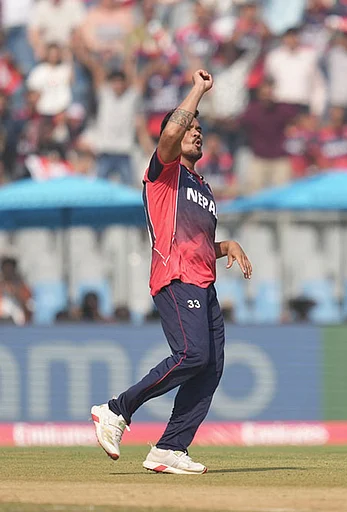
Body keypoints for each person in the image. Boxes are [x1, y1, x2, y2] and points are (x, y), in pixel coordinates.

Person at [90, 70, 253, 475]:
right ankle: (115, 410)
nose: (196, 132)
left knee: (210, 367)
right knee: (191, 354)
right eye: (189, 127)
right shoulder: (164, 174)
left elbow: (195, 245)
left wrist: (225, 247)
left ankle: (169, 448)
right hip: (176, 280)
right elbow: (169, 136)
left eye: (200, 128)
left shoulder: (202, 185)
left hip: (204, 284)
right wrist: (198, 90)